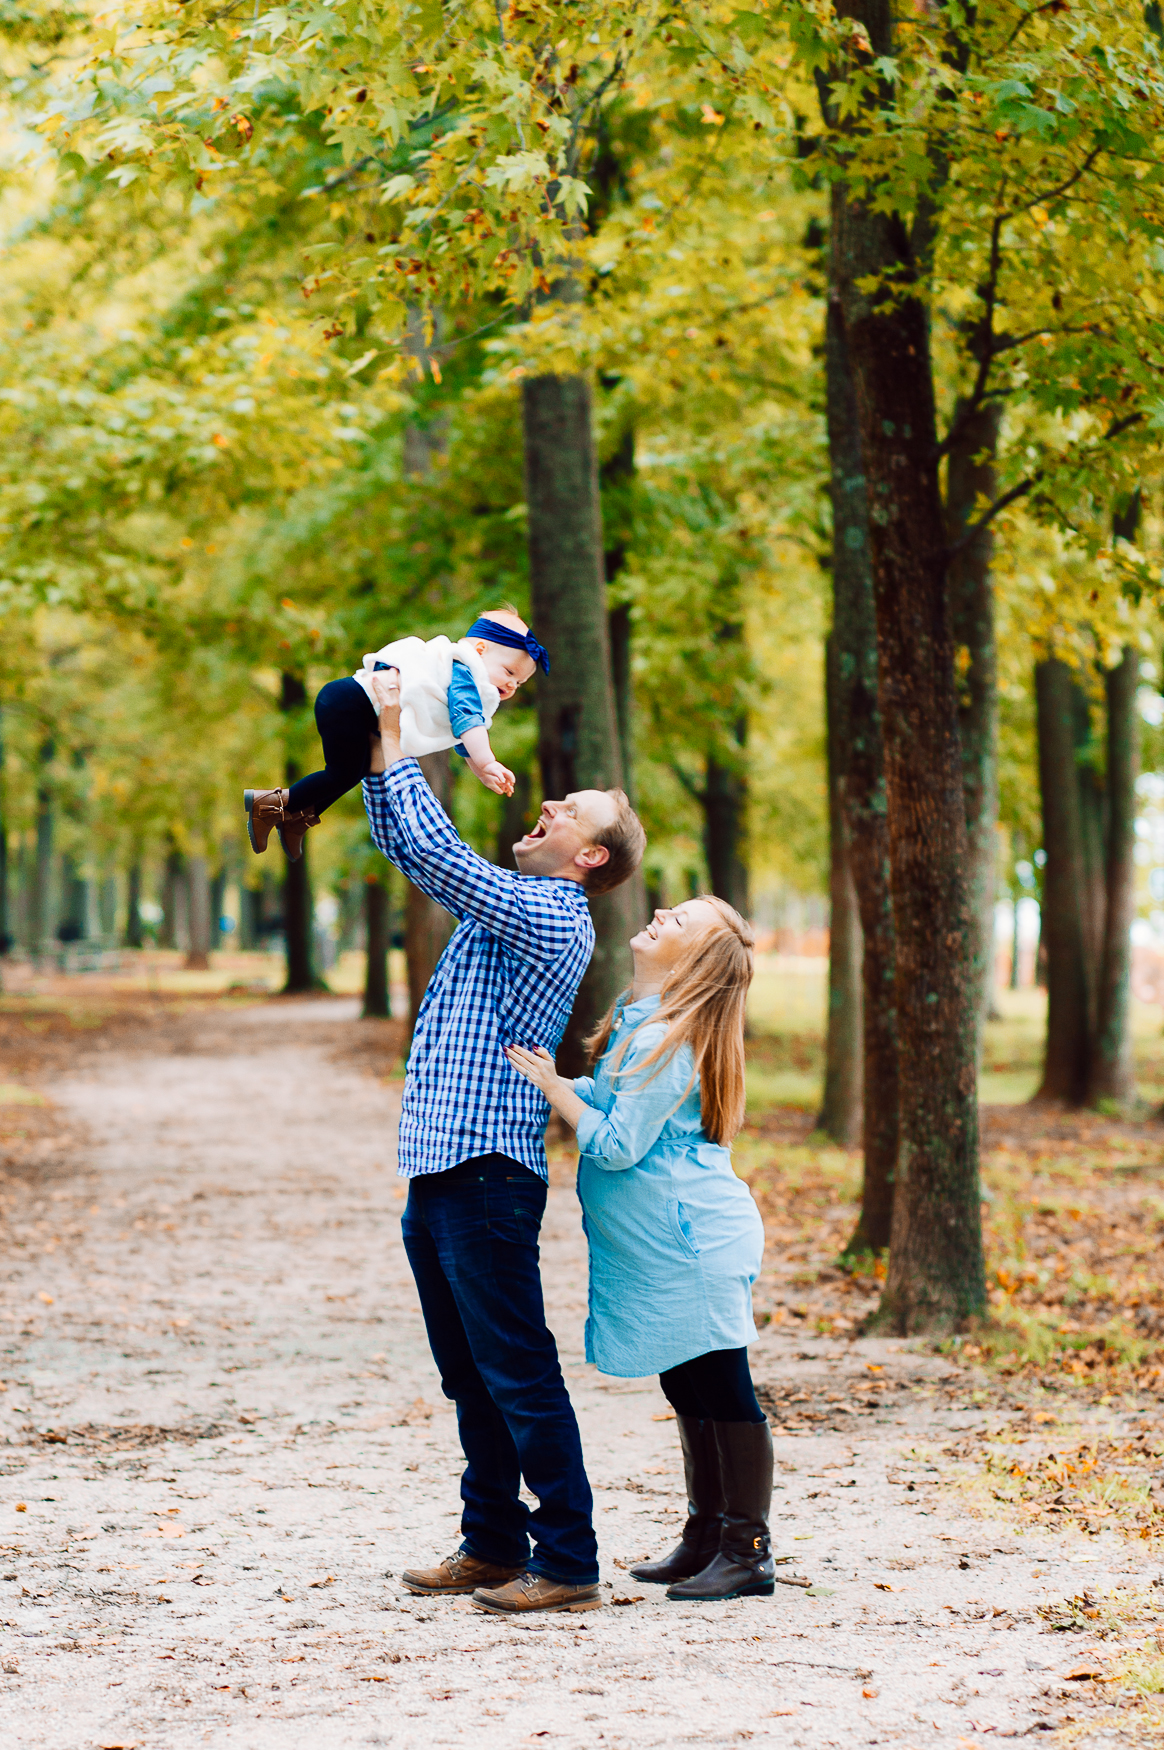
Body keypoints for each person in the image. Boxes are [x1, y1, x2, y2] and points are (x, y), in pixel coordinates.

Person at [363, 665, 646, 1617]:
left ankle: (568, 1561)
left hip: (488, 1177)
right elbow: (414, 851)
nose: (551, 802)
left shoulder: (550, 914)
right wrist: (378, 755)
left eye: (573, 810)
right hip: (440, 1171)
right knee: (467, 1373)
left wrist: (403, 727)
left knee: (517, 1368)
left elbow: (441, 859)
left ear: (591, 860)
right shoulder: (513, 906)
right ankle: (490, 1542)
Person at [506, 896, 775, 1602]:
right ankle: (706, 1533)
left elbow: (620, 1143)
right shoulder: (642, 1024)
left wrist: (554, 1092)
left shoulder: (666, 1037)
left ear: (691, 963)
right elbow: (619, 1099)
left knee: (722, 1387)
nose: (661, 911)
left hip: (694, 1244)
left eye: (680, 921)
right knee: (685, 1383)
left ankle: (748, 1550)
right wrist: (570, 1086)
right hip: (667, 1243)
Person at [242, 606, 548, 860]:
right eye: (509, 673)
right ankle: (268, 804)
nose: (510, 686)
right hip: (350, 702)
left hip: (351, 705)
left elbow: (462, 737)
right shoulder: (465, 671)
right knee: (342, 772)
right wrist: (489, 761)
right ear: (479, 650)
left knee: (355, 771)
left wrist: (482, 771)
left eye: (519, 684)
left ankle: (295, 818)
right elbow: (468, 722)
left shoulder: (460, 677)